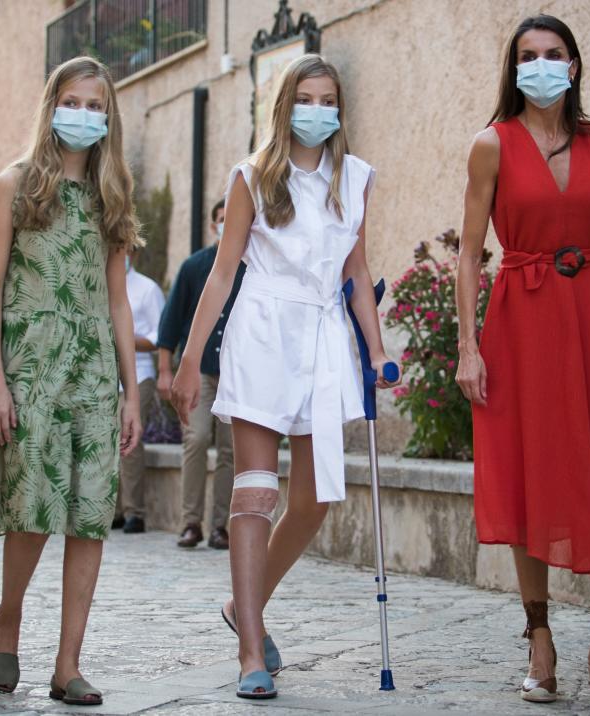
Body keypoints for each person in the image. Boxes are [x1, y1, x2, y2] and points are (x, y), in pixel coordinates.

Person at [171, 54, 400, 700]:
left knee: (316, 499)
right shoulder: (252, 176)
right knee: (254, 492)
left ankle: (242, 604)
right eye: (306, 97)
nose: (318, 110)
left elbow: (357, 273)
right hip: (264, 333)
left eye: (329, 99)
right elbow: (222, 273)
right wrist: (191, 359)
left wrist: (376, 352)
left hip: (325, 341)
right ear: (284, 104)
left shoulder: (353, 179)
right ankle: (251, 649)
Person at [455, 15, 590, 705]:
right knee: (532, 472)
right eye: (528, 56)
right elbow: (469, 252)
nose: (541, 65)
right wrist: (467, 347)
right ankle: (540, 640)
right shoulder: (492, 145)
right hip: (523, 319)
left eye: (554, 54)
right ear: (514, 69)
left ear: (574, 65)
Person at [0, 56, 142, 706]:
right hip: (30, 365)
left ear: (107, 116)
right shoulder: (16, 184)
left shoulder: (114, 194)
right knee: (32, 508)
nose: (83, 115)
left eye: (95, 105)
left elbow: (118, 300)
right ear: (52, 105)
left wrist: (132, 391)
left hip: (92, 372)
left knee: (88, 517)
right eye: (73, 102)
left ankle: (68, 664)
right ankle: (8, 620)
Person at [157, 198, 241, 550]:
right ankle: (190, 521)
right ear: (212, 225)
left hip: (237, 375)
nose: (226, 224)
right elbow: (172, 321)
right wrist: (165, 370)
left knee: (230, 451)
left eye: (230, 219)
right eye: (221, 219)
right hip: (201, 374)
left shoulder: (252, 266)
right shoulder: (195, 267)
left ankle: (221, 525)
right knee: (195, 439)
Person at [115, 249, 165, 534]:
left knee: (128, 439)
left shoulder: (147, 289)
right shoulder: (100, 283)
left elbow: (160, 336)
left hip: (139, 374)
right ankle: (114, 509)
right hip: (106, 376)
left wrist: (129, 340)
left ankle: (135, 511)